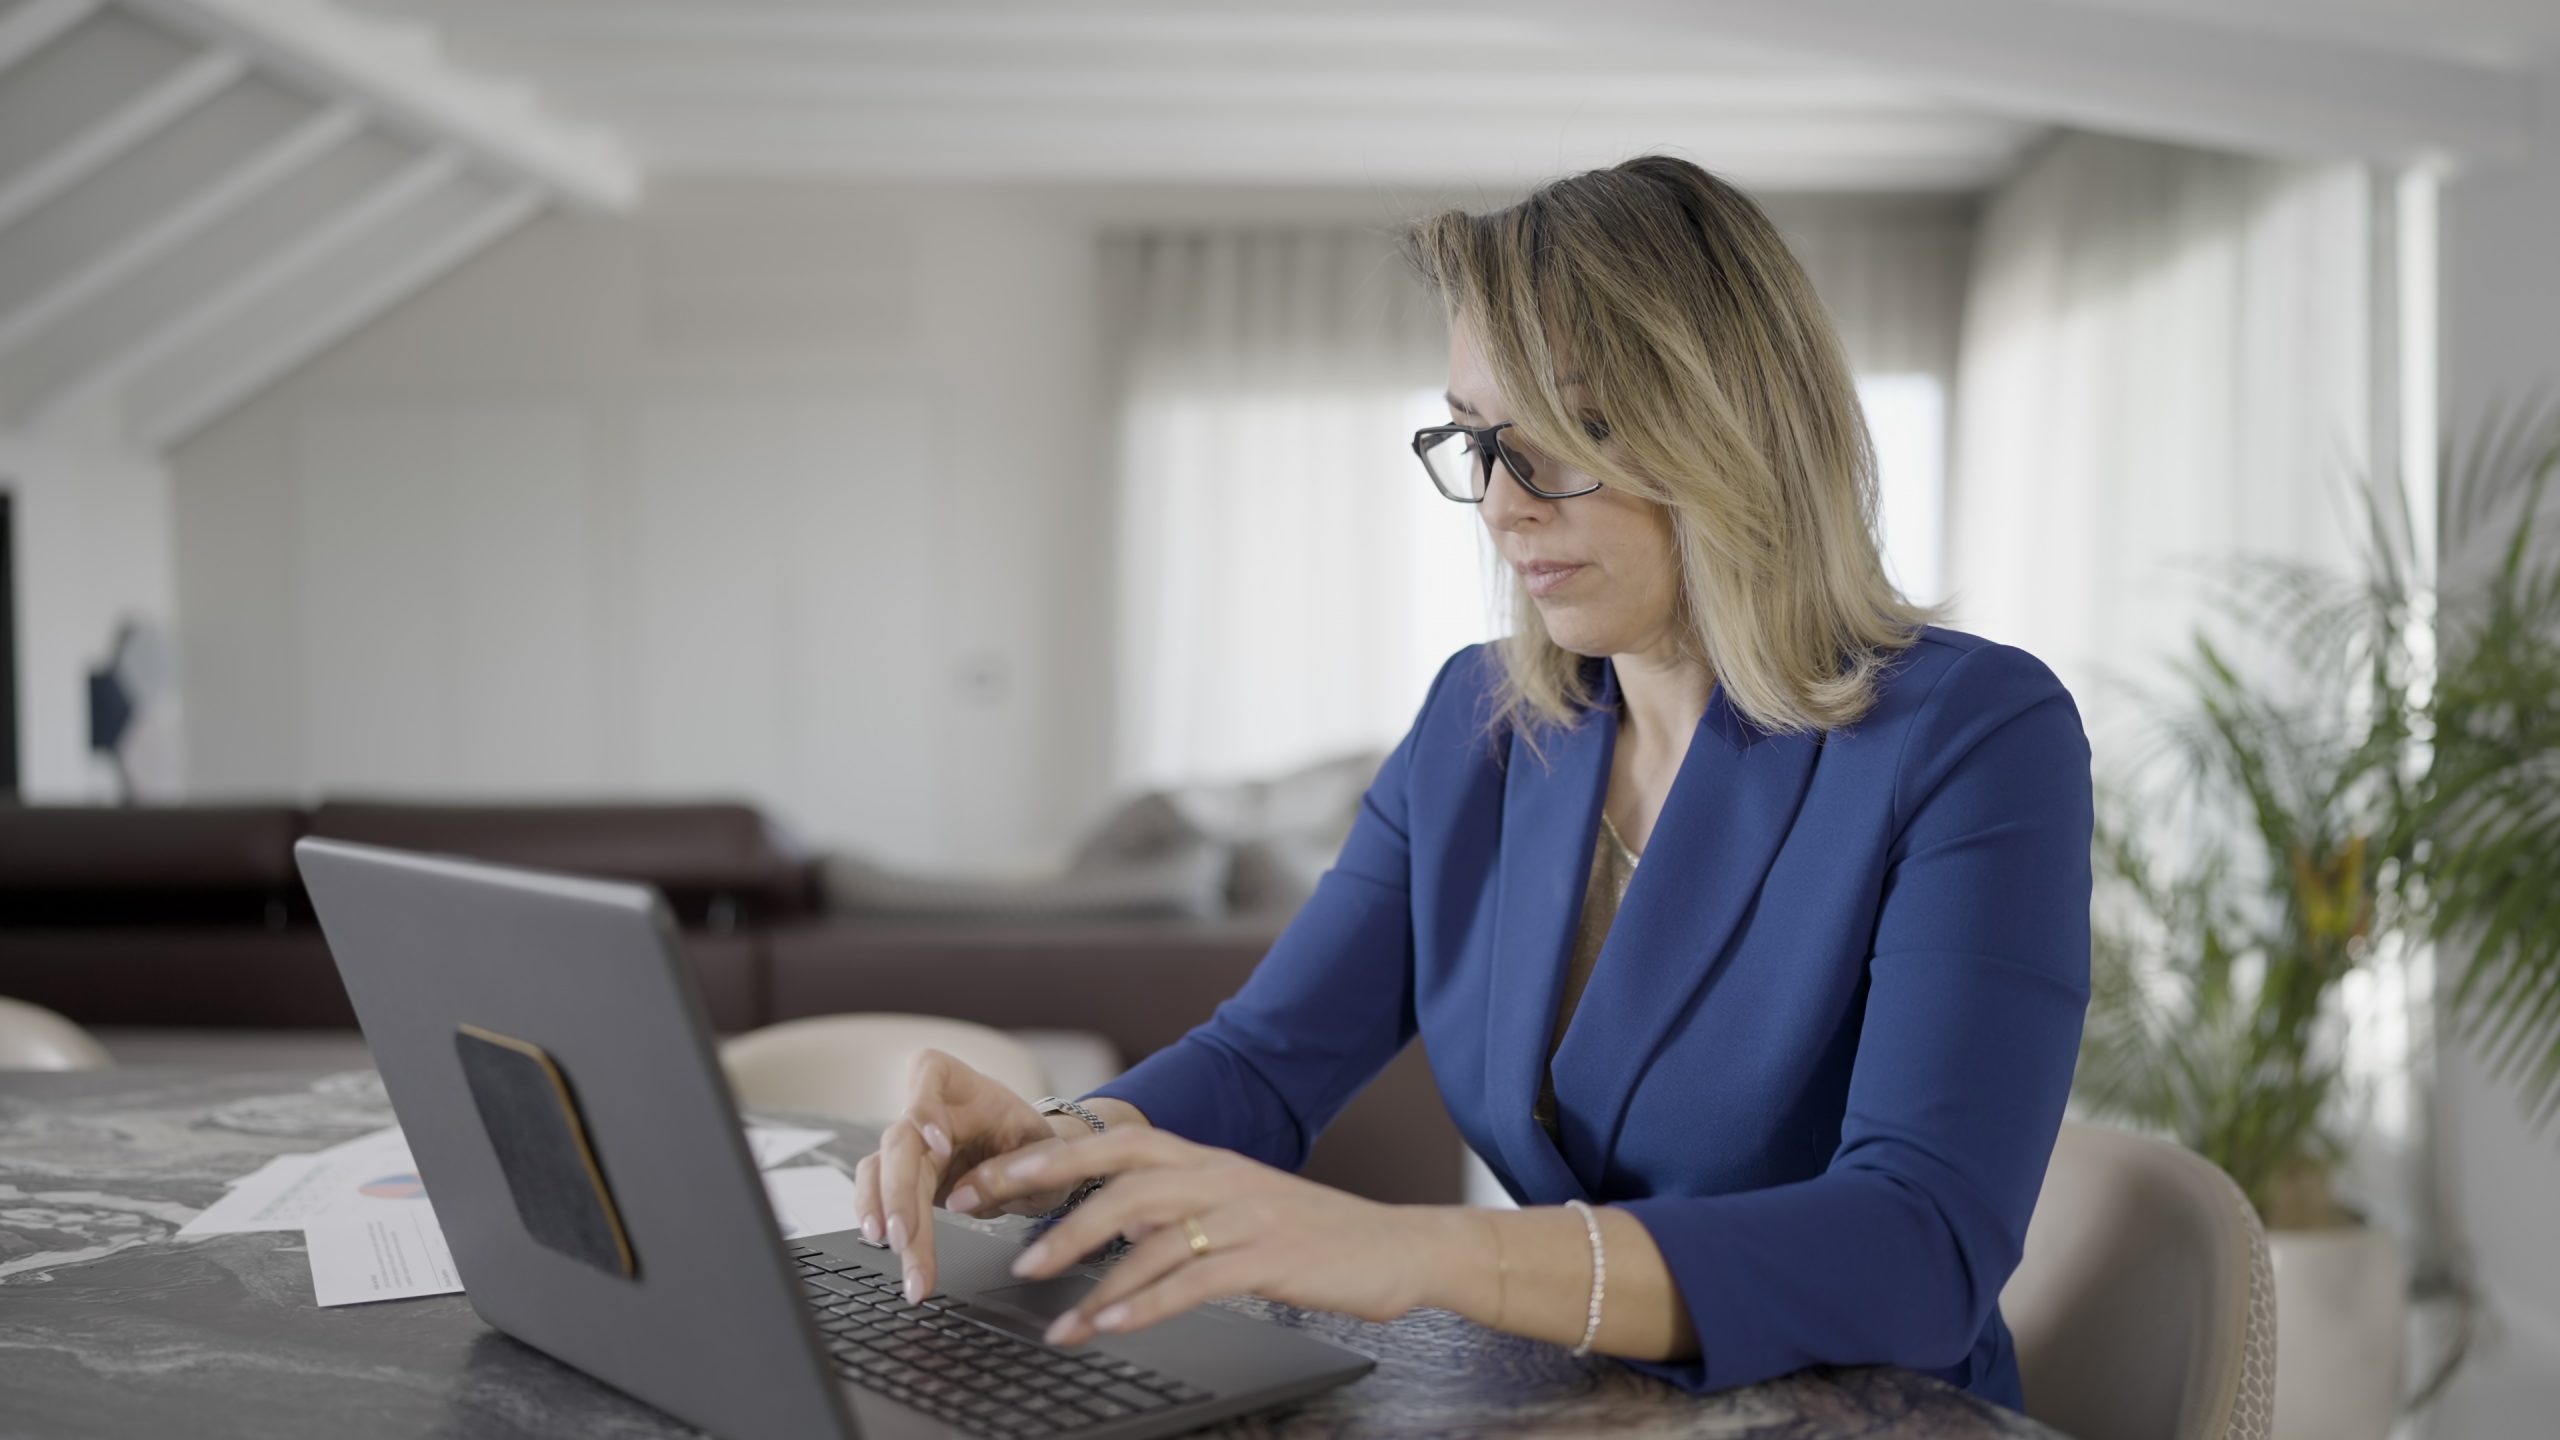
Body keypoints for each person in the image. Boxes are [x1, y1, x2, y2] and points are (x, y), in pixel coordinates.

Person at [851, 153, 2093, 1411]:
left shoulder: (1973, 737)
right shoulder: (1480, 721)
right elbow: (1267, 1061)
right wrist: (1063, 1146)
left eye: (1572, 436)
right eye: (1479, 440)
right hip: (1583, 1404)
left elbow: (1919, 1245)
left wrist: (1418, 1252)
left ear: (1732, 427)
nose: (1502, 506)